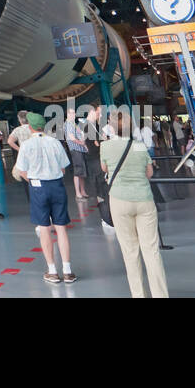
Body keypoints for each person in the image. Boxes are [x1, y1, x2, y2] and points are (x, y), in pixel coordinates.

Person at [101, 110, 168, 298]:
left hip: (120, 200)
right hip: (144, 198)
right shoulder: (139, 145)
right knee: (152, 251)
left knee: (130, 252)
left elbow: (104, 168)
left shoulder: (106, 146)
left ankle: (138, 295)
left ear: (111, 127)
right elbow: (149, 173)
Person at [15, 111, 74, 284]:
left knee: (44, 228)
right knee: (61, 228)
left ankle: (52, 271)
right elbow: (63, 168)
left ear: (30, 127)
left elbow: (22, 171)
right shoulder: (55, 142)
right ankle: (68, 271)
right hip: (57, 186)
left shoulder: (26, 145)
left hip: (38, 187)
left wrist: (35, 180)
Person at [65, 111, 89, 199]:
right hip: (75, 149)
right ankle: (78, 192)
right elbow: (71, 138)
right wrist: (81, 143)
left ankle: (82, 191)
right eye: (71, 113)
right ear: (68, 115)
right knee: (78, 171)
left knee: (82, 171)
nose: (74, 115)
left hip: (80, 149)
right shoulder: (68, 124)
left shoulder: (73, 124)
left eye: (74, 113)